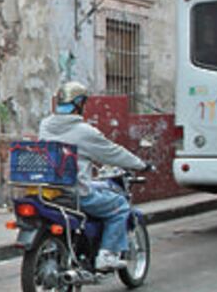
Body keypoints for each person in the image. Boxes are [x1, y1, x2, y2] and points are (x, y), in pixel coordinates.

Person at [39, 81, 151, 271]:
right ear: (80, 103)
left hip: (50, 191)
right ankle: (107, 254)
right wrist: (140, 164)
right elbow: (113, 153)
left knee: (98, 187)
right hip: (76, 195)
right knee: (120, 206)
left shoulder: (46, 125)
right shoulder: (84, 132)